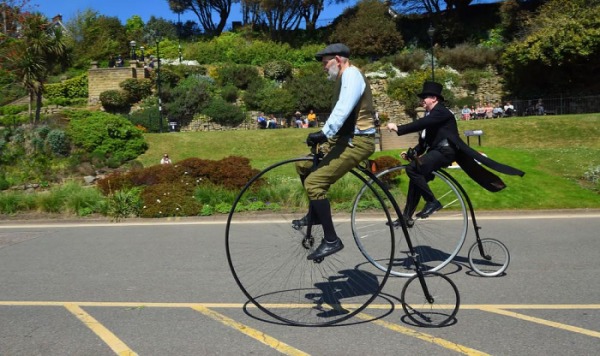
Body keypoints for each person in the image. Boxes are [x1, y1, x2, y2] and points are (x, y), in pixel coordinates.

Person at [386, 81, 525, 226]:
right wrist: (413, 153)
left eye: (425, 97)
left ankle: (432, 202)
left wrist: (398, 128)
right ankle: (406, 217)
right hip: (437, 151)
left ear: (434, 98)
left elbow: (420, 125)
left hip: (446, 151)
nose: (422, 101)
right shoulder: (432, 115)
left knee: (412, 169)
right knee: (416, 180)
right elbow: (425, 142)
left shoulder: (441, 111)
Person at [293, 43, 377, 261]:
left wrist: (324, 133)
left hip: (358, 141)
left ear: (338, 59)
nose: (323, 67)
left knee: (314, 183)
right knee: (303, 165)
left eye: (325, 62)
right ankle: (316, 214)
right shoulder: (343, 78)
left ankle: (331, 240)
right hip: (345, 139)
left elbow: (344, 108)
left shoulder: (351, 74)